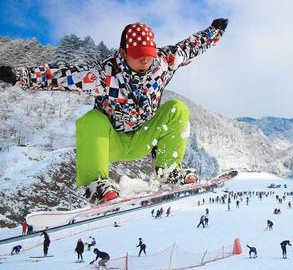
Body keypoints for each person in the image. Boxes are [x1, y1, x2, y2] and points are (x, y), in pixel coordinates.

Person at [0, 19, 228, 204]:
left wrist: (214, 32)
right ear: (123, 52)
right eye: (138, 56)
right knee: (92, 120)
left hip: (143, 138)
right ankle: (96, 185)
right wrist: (18, 76)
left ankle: (169, 171)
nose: (145, 61)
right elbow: (59, 76)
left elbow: (189, 47)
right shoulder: (103, 74)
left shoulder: (163, 63)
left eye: (148, 55)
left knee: (177, 109)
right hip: (111, 143)